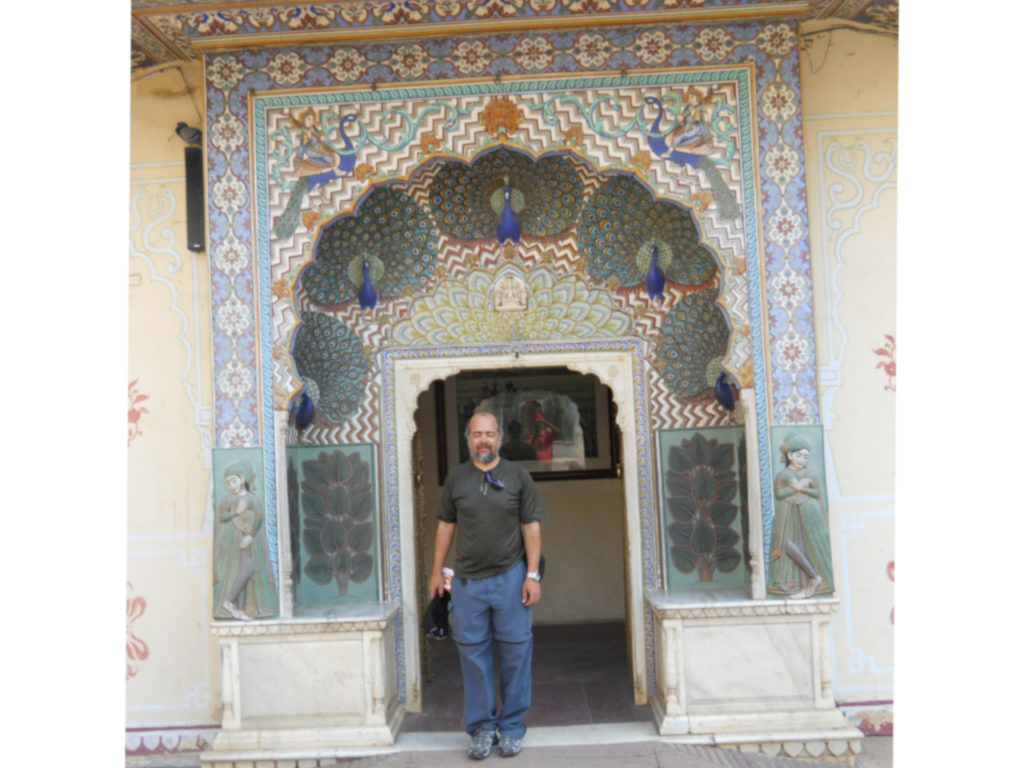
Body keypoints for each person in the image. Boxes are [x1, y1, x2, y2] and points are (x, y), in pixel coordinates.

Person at [429, 411, 545, 759]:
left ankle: (510, 728)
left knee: (516, 652)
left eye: (490, 434)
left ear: (499, 438)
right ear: (468, 439)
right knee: (473, 654)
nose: (484, 440)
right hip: (466, 582)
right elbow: (446, 525)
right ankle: (481, 729)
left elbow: (532, 528)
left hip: (511, 577)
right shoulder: (457, 478)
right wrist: (436, 571)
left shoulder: (517, 475)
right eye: (477, 434)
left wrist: (532, 575)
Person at [767, 435, 834, 599]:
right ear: (789, 455)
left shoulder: (810, 473)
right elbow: (779, 493)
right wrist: (794, 488)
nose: (802, 459)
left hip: (808, 512)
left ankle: (808, 585)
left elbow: (817, 492)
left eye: (805, 456)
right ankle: (813, 577)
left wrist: (803, 489)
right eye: (798, 455)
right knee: (787, 544)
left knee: (807, 545)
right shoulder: (783, 474)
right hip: (787, 512)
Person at [214, 460, 277, 620]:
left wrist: (250, 536)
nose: (231, 485)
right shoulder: (227, 500)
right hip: (234, 539)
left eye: (234, 481)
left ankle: (239, 609)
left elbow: (259, 516)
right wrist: (236, 513)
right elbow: (222, 517)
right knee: (243, 571)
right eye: (228, 483)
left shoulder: (251, 498)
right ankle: (229, 602)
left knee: (246, 572)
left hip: (249, 539)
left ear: (242, 479)